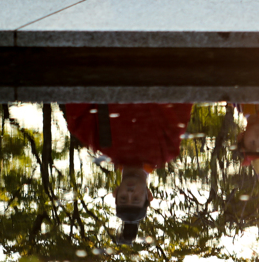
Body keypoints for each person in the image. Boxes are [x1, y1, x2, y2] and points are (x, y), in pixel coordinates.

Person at [64, 103, 193, 245]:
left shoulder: (102, 143)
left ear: (116, 192)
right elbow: (182, 101)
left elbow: (75, 115)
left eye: (124, 198)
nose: (130, 192)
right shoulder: (165, 150)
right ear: (148, 195)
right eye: (136, 198)